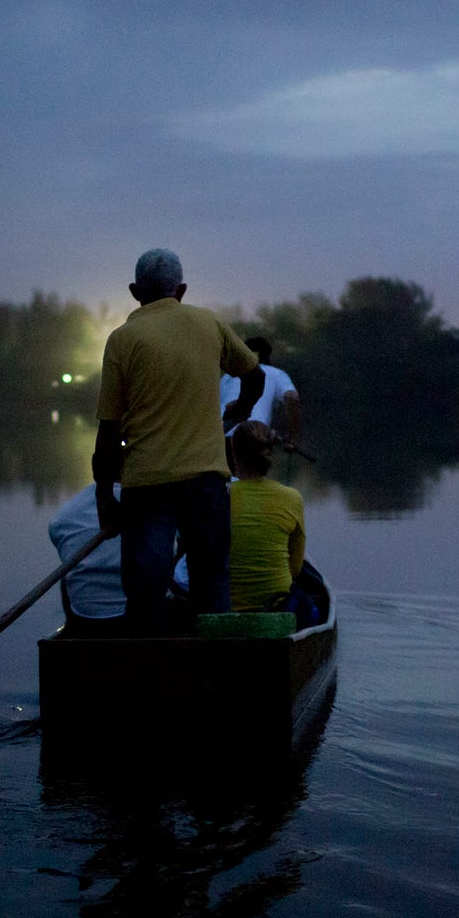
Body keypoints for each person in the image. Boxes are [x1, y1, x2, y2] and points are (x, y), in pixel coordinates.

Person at [93, 249, 264, 635]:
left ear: (135, 292)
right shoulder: (209, 324)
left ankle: (151, 682)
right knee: (213, 586)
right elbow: (255, 376)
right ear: (181, 290)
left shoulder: (122, 340)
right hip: (205, 481)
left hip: (146, 487)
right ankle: (219, 679)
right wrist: (241, 408)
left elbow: (108, 433)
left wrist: (105, 495)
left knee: (145, 595)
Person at [225, 420, 313, 623]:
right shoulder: (292, 497)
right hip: (277, 606)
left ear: (233, 453)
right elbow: (295, 569)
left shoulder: (220, 496)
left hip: (225, 605)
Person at [48, 482, 125, 637]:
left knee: (67, 571)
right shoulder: (155, 504)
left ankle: (71, 629)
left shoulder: (61, 517)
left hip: (83, 617)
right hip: (138, 616)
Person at [219, 336, 301, 449]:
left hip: (220, 435)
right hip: (254, 435)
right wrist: (292, 439)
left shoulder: (228, 376)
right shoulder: (276, 373)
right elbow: (291, 397)